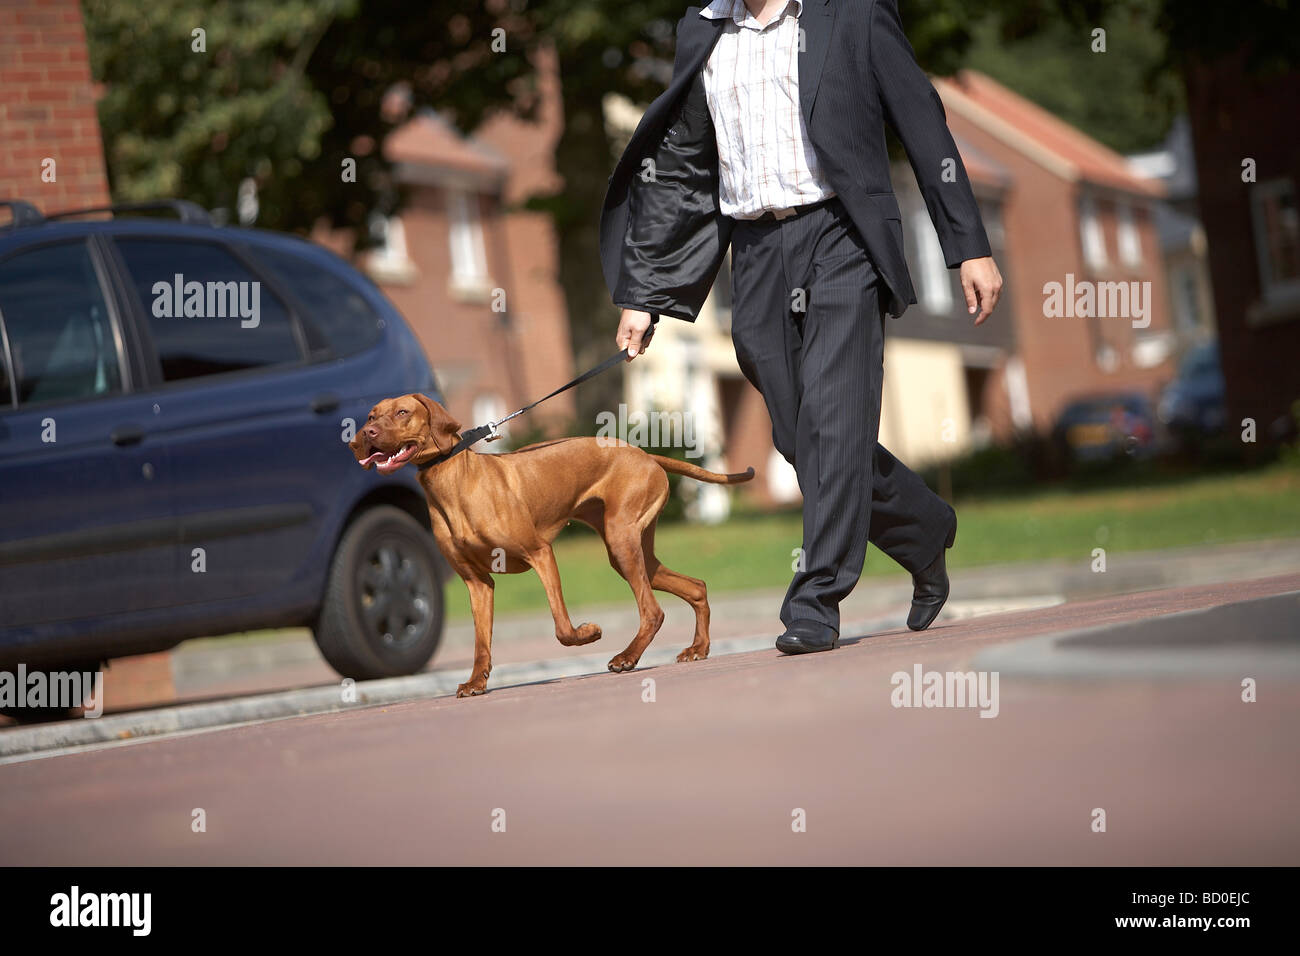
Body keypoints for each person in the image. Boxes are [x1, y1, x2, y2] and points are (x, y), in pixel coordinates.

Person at [599, 0, 1003, 653]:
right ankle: (924, 526)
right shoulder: (703, 30)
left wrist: (968, 245)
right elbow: (685, 165)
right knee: (800, 436)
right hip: (754, 254)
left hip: (842, 234)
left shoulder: (852, 15)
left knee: (836, 418)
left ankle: (815, 599)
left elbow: (922, 123)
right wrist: (645, 293)